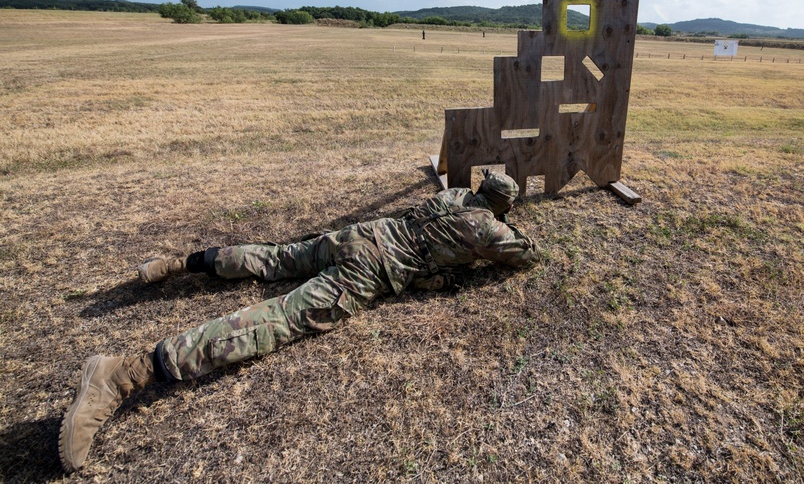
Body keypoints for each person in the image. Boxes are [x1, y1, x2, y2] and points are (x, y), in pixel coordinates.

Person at [59, 171, 537, 473]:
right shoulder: (488, 227)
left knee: (276, 256)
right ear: (502, 205)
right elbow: (528, 255)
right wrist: (506, 223)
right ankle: (125, 374)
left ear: (479, 188)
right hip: (372, 269)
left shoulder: (453, 195)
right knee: (275, 319)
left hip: (358, 235)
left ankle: (180, 264)